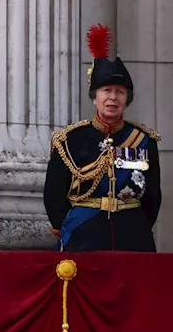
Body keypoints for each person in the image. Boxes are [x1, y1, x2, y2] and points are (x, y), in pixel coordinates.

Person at [44, 24, 161, 252]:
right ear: (94, 97)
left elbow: (153, 197)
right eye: (106, 90)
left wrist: (137, 226)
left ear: (127, 99)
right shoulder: (69, 139)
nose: (113, 98)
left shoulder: (143, 140)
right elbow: (54, 195)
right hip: (83, 235)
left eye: (120, 92)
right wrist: (67, 227)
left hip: (132, 235)